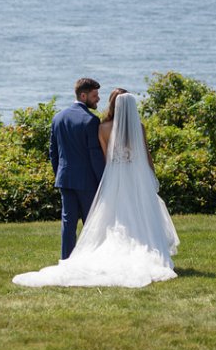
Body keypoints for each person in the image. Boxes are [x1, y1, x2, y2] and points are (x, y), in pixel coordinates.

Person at [14, 91, 179, 288]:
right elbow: (146, 155)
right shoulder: (140, 128)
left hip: (115, 178)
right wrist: (151, 175)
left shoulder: (103, 128)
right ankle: (149, 249)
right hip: (137, 177)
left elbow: (104, 158)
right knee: (141, 213)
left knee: (115, 217)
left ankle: (82, 254)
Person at [49, 78, 106, 260]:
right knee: (92, 224)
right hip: (87, 181)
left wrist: (59, 173)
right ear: (83, 95)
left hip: (65, 179)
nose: (98, 99)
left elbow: (53, 152)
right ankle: (91, 261)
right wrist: (104, 180)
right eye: (95, 95)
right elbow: (95, 156)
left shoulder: (58, 117)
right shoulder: (91, 120)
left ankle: (66, 261)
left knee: (68, 223)